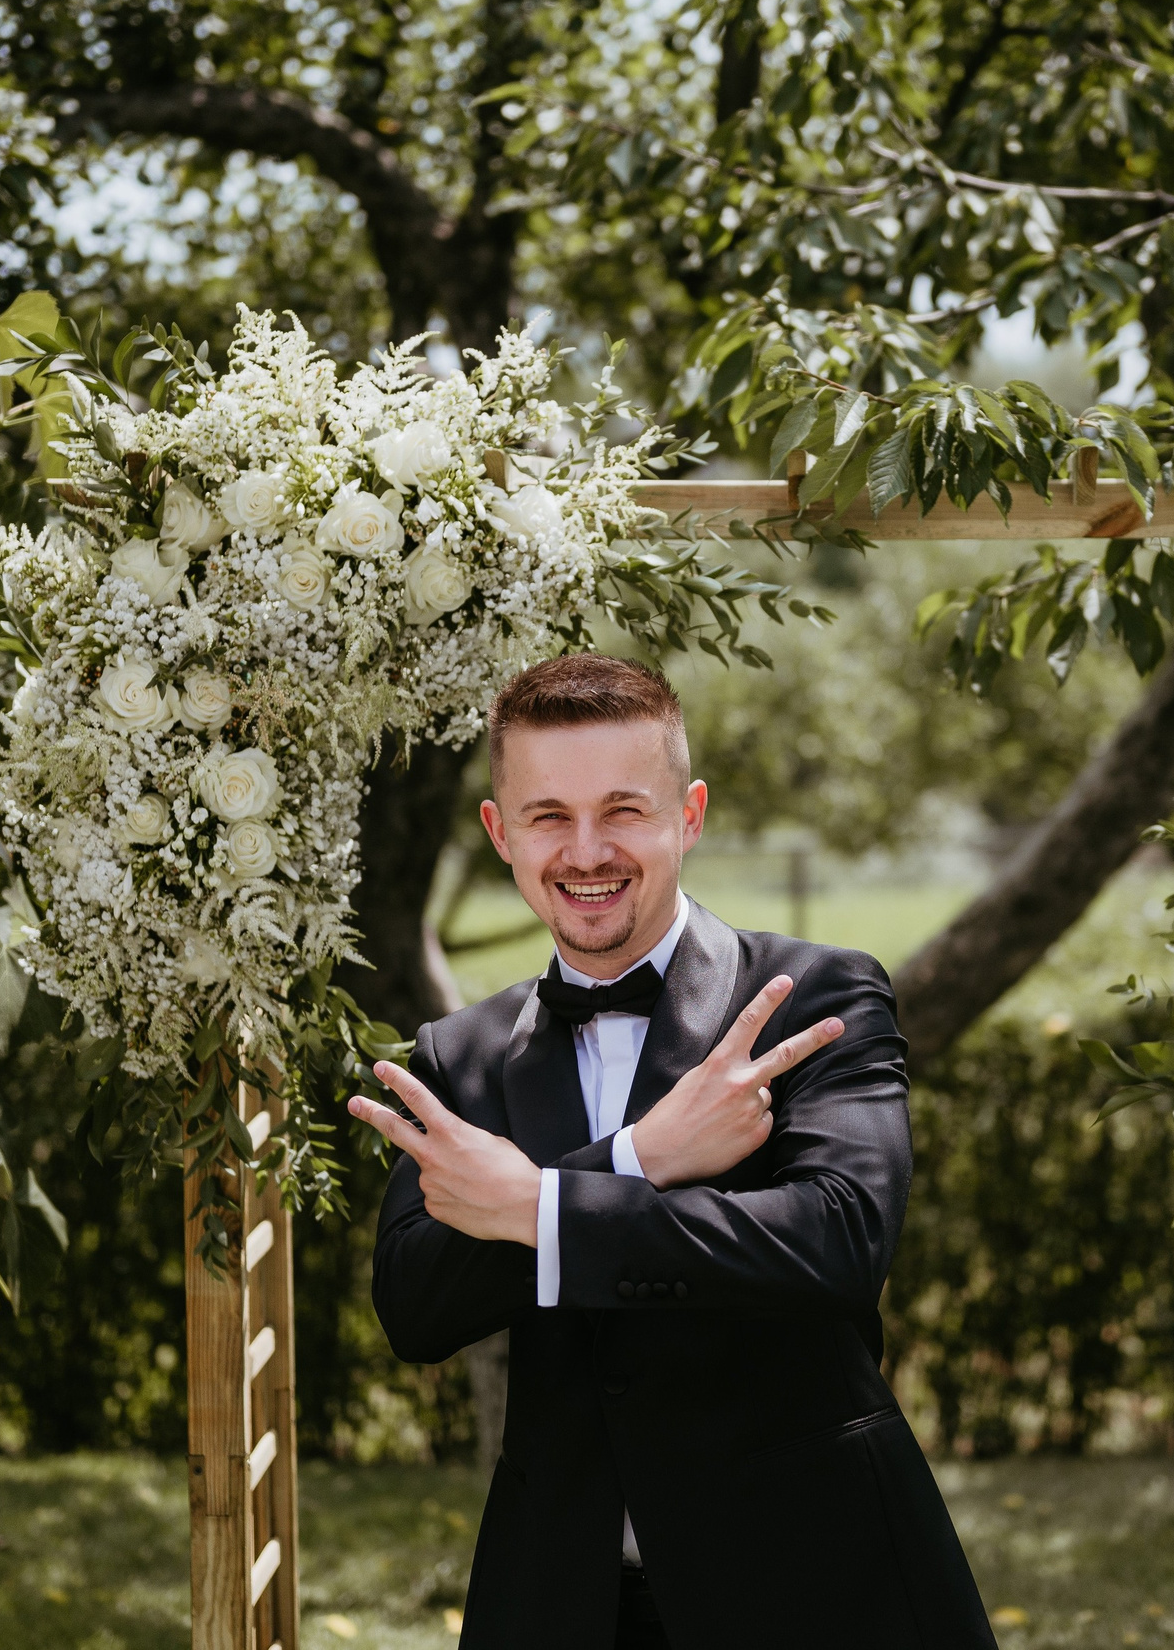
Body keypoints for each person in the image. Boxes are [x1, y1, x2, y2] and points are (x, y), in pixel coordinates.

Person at [349, 653, 997, 1650]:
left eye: (624, 809)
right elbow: (414, 1303)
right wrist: (636, 1158)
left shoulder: (815, 998)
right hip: (561, 1602)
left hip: (812, 1581)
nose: (586, 850)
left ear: (688, 815)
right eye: (548, 815)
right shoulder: (459, 1054)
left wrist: (538, 1206)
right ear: (500, 832)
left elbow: (838, 1240)